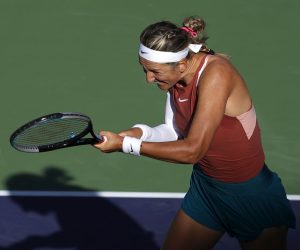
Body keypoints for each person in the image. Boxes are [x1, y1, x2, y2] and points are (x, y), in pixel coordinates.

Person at [94, 16, 296, 250]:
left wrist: (125, 145)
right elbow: (172, 130)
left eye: (154, 71)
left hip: (250, 196)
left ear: (181, 64)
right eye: (145, 70)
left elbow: (193, 150)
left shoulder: (217, 73)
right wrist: (138, 134)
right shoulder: (175, 78)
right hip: (206, 192)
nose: (149, 79)